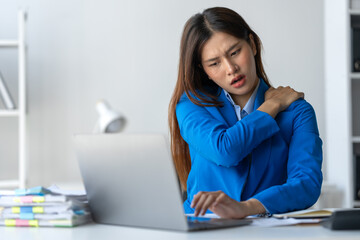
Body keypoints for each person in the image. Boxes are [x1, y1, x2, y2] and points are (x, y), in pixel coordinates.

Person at [168, 7, 323, 219]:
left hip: (265, 231)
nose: (230, 68)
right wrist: (270, 107)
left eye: (234, 53)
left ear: (252, 44)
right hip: (201, 227)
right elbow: (225, 150)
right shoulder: (191, 105)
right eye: (215, 63)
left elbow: (306, 184)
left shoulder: (298, 112)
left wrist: (249, 207)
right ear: (203, 70)